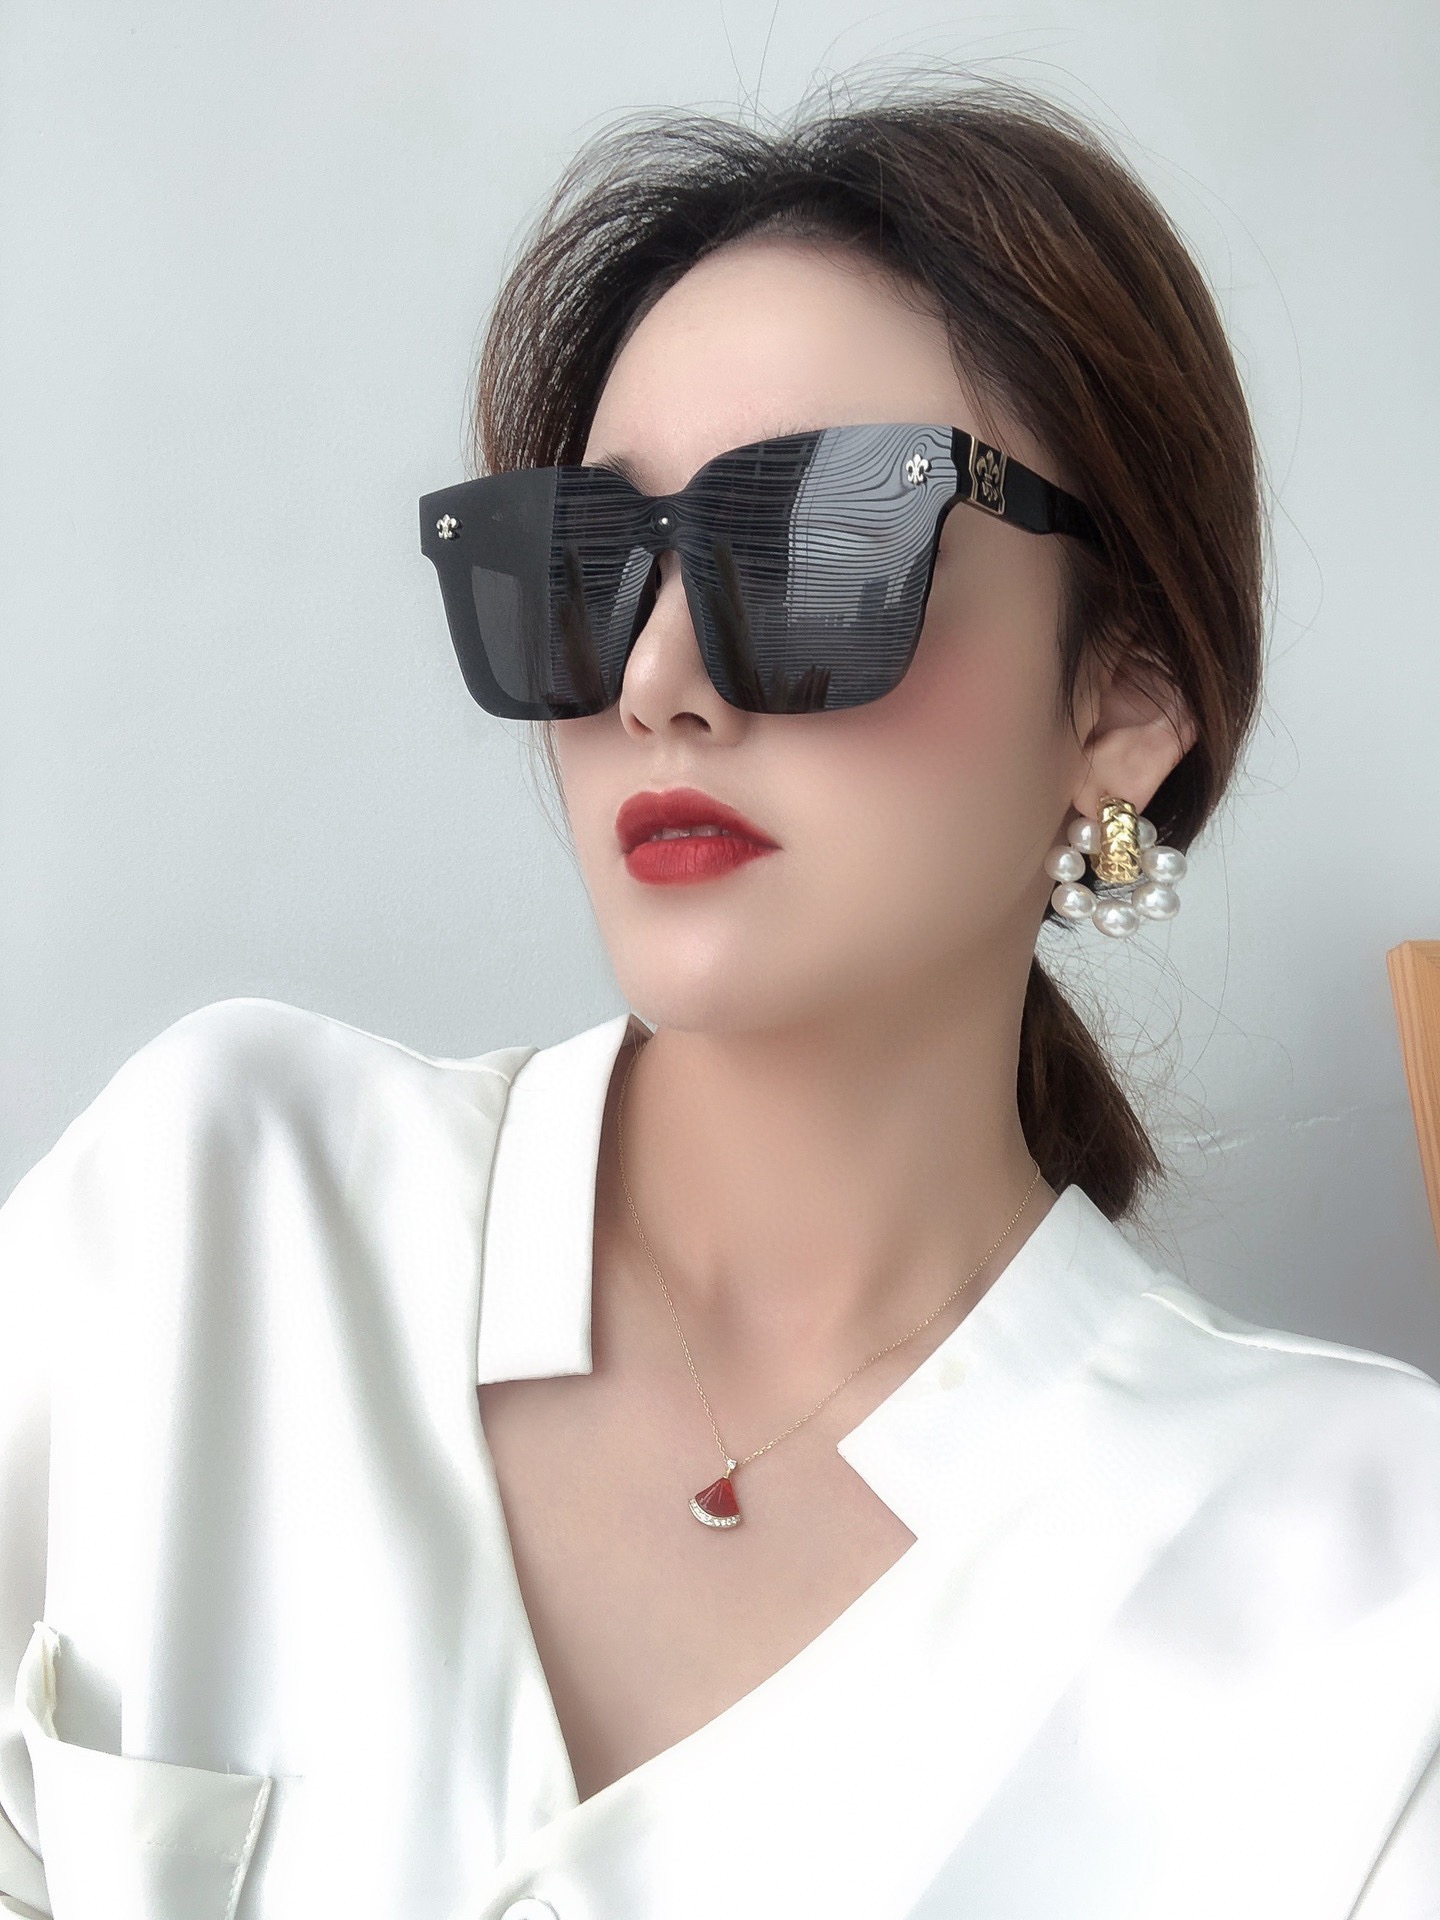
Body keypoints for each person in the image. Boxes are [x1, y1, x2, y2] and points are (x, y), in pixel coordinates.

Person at [2, 80, 1437, 1920]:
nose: (657, 679)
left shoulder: (1367, 1588)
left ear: (1125, 700)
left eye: (819, 548)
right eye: (585, 567)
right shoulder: (219, 1210)